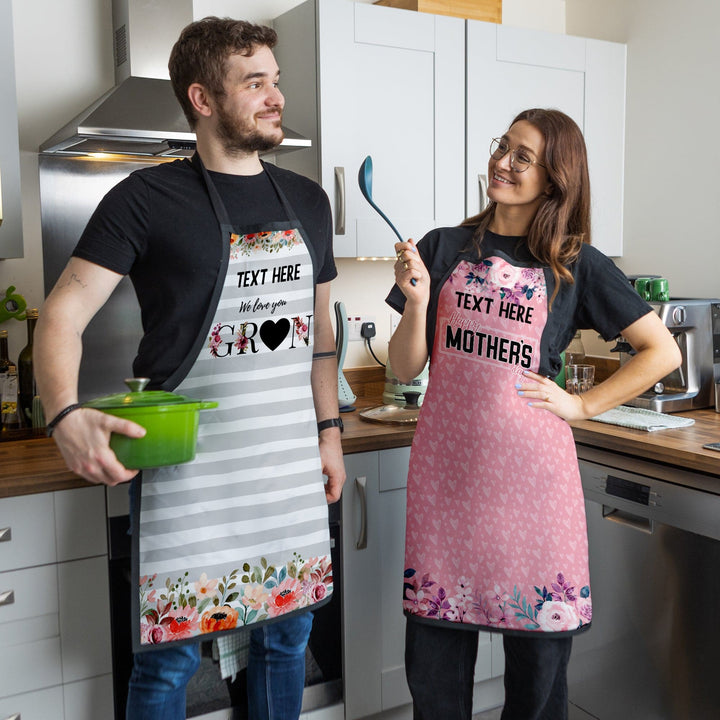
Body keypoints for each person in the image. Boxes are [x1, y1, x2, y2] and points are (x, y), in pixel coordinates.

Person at [34, 17, 345, 720]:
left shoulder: (307, 201)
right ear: (203, 99)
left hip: (287, 466)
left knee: (286, 639)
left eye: (276, 79)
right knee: (171, 659)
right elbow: (62, 315)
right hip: (190, 472)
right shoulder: (145, 199)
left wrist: (329, 432)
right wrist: (63, 415)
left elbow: (319, 335)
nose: (276, 97)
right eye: (255, 82)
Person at [387, 108, 681, 720]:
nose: (504, 162)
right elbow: (405, 367)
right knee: (435, 673)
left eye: (524, 157)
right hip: (449, 485)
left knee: (539, 670)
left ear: (554, 180)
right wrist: (417, 303)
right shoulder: (443, 246)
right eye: (504, 147)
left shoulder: (575, 262)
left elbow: (662, 350)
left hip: (533, 488)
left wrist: (582, 405)